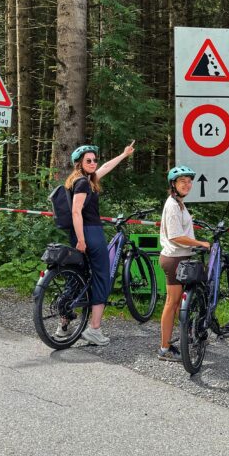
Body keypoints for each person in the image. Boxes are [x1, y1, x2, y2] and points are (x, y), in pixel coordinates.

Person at [61, 142, 135, 347]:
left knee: (76, 277)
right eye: (88, 160)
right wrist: (83, 239)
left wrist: (123, 154)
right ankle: (94, 329)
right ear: (79, 163)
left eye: (94, 159)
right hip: (90, 232)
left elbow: (105, 168)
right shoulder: (83, 184)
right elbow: (76, 212)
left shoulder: (80, 180)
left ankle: (63, 325)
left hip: (78, 234)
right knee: (102, 276)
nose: (94, 163)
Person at [158, 165, 210, 362]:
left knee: (179, 303)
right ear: (173, 184)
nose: (187, 185)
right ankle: (164, 348)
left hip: (181, 257)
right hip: (174, 259)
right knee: (171, 304)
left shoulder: (178, 203)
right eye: (182, 181)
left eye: (189, 181)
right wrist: (200, 243)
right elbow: (176, 236)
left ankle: (183, 337)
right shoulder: (172, 205)